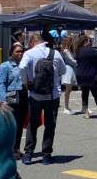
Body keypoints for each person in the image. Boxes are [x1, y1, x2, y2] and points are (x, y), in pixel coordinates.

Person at [19, 31, 67, 165]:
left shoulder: (29, 54)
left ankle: (28, 154)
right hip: (53, 95)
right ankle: (46, 155)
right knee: (50, 125)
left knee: (32, 125)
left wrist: (26, 82)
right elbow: (63, 71)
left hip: (35, 95)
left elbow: (22, 67)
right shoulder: (55, 53)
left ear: (32, 42)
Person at [0, 42, 28, 158]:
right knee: (11, 125)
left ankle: (16, 148)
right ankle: (7, 150)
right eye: (17, 51)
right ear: (11, 53)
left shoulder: (24, 64)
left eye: (21, 51)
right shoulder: (5, 66)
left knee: (20, 124)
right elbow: (1, 84)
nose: (20, 53)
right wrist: (3, 100)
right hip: (11, 97)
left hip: (23, 95)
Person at [75, 34, 97, 118]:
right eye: (90, 41)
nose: (91, 43)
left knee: (84, 94)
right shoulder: (92, 51)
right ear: (86, 41)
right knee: (96, 94)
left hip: (81, 74)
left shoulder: (78, 51)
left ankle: (86, 113)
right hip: (91, 75)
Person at [59, 36, 79, 114]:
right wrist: (79, 62)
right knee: (68, 90)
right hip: (68, 69)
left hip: (71, 69)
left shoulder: (70, 50)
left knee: (69, 90)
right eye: (71, 41)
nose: (72, 42)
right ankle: (66, 107)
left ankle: (67, 107)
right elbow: (71, 60)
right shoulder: (66, 51)